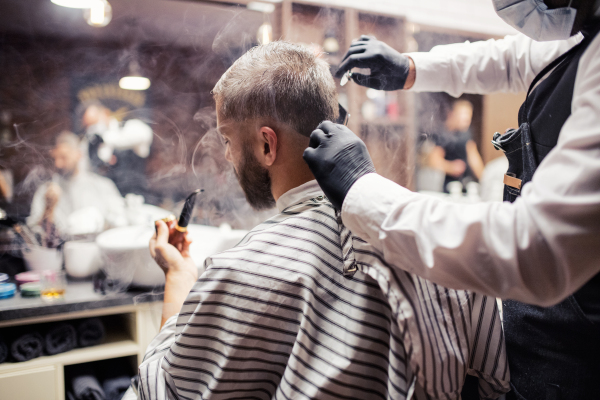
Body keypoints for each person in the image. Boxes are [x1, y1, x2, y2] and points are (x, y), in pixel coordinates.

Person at [132, 41, 508, 400]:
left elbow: (161, 389)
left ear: (267, 144)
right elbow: (495, 378)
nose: (228, 156)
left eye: (228, 139)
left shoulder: (240, 271)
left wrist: (179, 276)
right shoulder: (441, 235)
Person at [303, 0, 600, 399]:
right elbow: (520, 57)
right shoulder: (585, 33)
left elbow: (537, 248)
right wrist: (413, 67)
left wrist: (362, 189)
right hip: (538, 328)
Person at [28, 131, 126, 237]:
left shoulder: (103, 186)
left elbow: (121, 222)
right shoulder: (45, 191)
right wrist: (48, 208)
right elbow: (35, 235)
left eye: (63, 157)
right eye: (55, 158)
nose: (58, 164)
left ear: (79, 154)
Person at [82, 102, 153, 197]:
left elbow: (145, 135)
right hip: (107, 197)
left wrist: (104, 137)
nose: (92, 128)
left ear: (105, 113)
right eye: (89, 126)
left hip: (134, 196)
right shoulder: (92, 143)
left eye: (95, 123)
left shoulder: (129, 127)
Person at [426, 100, 484, 192]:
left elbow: (473, 156)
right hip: (447, 186)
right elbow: (433, 161)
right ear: (452, 114)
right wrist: (451, 167)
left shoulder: (466, 133)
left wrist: (485, 179)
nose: (467, 119)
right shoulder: (442, 134)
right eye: (463, 115)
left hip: (465, 184)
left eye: (469, 115)